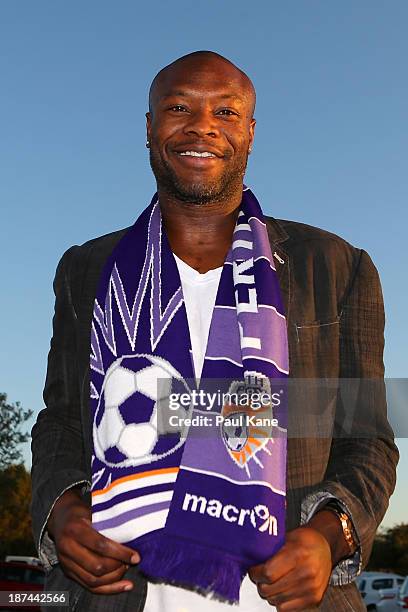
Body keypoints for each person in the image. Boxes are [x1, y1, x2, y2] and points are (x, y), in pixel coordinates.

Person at [31, 51, 398, 612]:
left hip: (282, 597)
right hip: (120, 594)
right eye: (179, 107)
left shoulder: (336, 266)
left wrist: (329, 536)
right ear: (150, 127)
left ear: (250, 133)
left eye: (225, 112)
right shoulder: (86, 270)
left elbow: (367, 436)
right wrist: (64, 510)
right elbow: (61, 419)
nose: (202, 125)